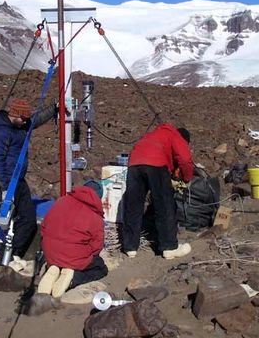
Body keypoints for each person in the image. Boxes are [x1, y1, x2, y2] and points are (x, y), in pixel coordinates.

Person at [0, 97, 56, 260]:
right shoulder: (0, 132)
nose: (26, 122)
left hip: (18, 180)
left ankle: (15, 253)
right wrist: (4, 188)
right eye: (23, 119)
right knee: (3, 220)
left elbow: (36, 119)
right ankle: (0, 251)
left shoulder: (21, 125)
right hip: (4, 183)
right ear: (14, 115)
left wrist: (54, 107)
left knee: (27, 219)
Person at [122, 123, 194, 260]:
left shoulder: (154, 134)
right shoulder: (176, 136)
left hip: (134, 163)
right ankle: (169, 247)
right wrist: (186, 178)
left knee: (133, 205)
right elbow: (185, 159)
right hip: (156, 164)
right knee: (164, 205)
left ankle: (130, 247)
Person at [38, 180, 108, 298]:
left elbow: (44, 227)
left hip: (50, 252)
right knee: (100, 268)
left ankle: (53, 268)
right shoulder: (95, 216)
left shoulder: (61, 201)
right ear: (98, 197)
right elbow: (96, 247)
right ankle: (73, 277)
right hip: (74, 258)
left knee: (61, 254)